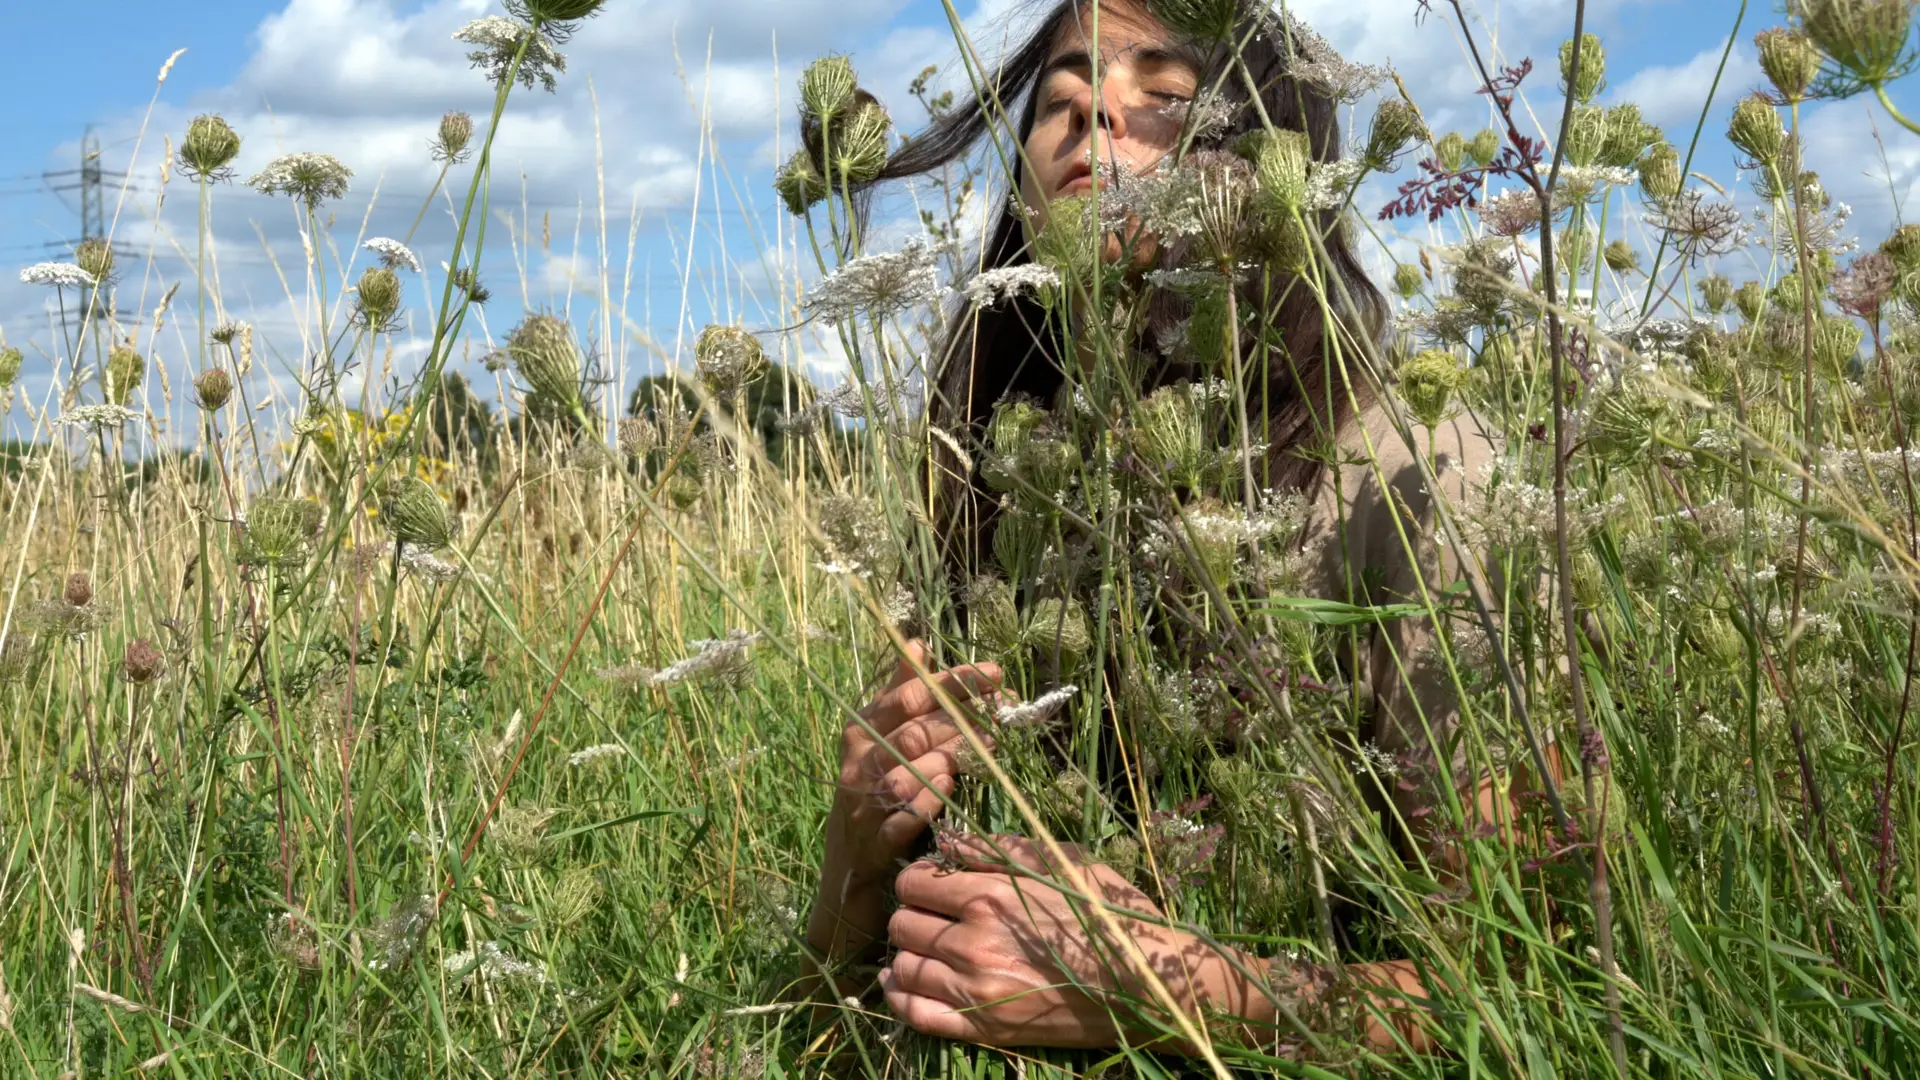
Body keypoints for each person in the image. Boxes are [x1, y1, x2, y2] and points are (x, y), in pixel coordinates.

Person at [801, 0, 1530, 1058]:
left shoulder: (1410, 475)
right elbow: (838, 1004)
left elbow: (1525, 987)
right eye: (1059, 100)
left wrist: (1158, 991)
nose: (1093, 112)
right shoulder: (1002, 470)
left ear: (1277, 162)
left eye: (1165, 96)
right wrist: (856, 860)